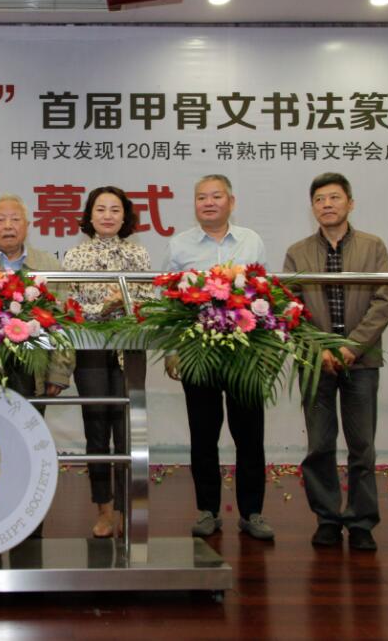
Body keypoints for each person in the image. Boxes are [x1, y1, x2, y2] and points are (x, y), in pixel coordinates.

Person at [282, 173, 388, 552]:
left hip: (361, 362)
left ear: (350, 202)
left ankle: (361, 522)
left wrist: (353, 347)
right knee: (319, 444)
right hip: (316, 363)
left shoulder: (373, 246)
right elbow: (290, 307)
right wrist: (321, 350)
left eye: (334, 197)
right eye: (319, 199)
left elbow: (384, 301)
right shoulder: (297, 252)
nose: (327, 205)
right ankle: (328, 519)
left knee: (362, 447)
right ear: (312, 207)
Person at [164, 174, 273, 541]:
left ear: (231, 201)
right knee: (203, 435)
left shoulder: (251, 241)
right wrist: (173, 351)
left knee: (250, 436)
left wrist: (266, 352)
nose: (208, 203)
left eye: (216, 196)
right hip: (199, 354)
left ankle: (252, 512)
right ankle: (207, 510)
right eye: (201, 197)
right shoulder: (179, 246)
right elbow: (169, 306)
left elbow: (265, 297)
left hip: (245, 353)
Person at [63, 186, 151, 538]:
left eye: (115, 209)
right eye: (100, 209)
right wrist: (104, 307)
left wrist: (126, 304)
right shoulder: (75, 256)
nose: (108, 216)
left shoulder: (139, 254)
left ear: (125, 216)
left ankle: (126, 510)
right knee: (96, 429)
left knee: (128, 431)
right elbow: (69, 306)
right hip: (91, 350)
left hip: (130, 347)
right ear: (90, 215)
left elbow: (149, 301)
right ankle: (103, 510)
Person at [0, 193, 71, 399]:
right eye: (0, 220)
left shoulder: (48, 265)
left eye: (15, 219)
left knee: (27, 418)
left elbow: (63, 322)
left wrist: (58, 373)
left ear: (27, 226)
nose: (8, 226)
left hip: (32, 367)